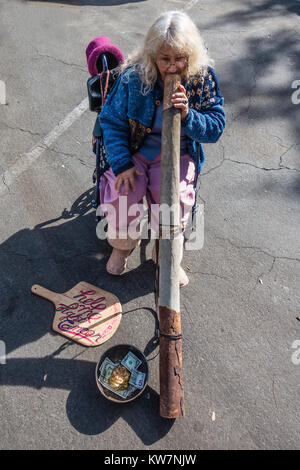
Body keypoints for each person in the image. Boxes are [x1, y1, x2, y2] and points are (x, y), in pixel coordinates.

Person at [98, 10, 226, 286]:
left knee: (173, 199)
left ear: (190, 56)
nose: (171, 67)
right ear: (152, 55)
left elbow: (216, 126)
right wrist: (122, 164)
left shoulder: (202, 78)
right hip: (136, 151)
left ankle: (166, 256)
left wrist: (189, 116)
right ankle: (122, 247)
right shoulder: (134, 77)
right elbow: (111, 121)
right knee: (123, 192)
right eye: (164, 59)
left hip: (178, 152)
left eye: (179, 59)